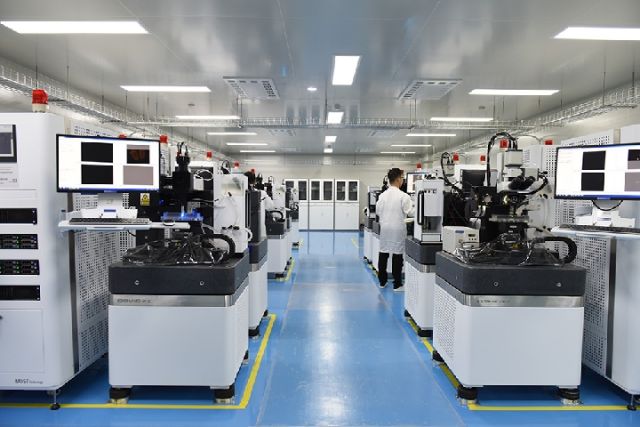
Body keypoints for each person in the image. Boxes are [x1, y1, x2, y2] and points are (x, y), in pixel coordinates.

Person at [376, 168, 414, 291]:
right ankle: (397, 284)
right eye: (402, 178)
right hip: (397, 228)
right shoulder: (403, 196)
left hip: (385, 228)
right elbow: (411, 212)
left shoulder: (382, 195)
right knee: (397, 255)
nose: (403, 180)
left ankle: (382, 282)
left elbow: (378, 211)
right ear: (398, 179)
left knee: (383, 252)